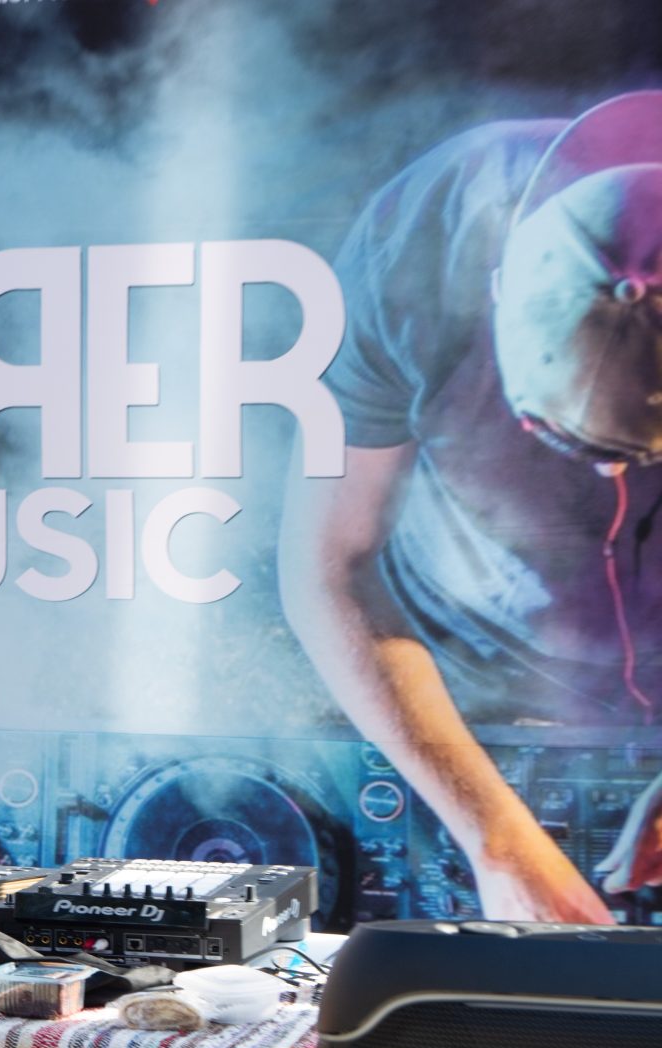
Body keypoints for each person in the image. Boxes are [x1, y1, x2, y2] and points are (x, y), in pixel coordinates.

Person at [279, 91, 662, 923]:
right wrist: (495, 839)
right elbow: (329, 563)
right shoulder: (420, 239)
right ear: (497, 288)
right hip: (467, 689)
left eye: (637, 454)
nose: (609, 477)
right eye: (554, 434)